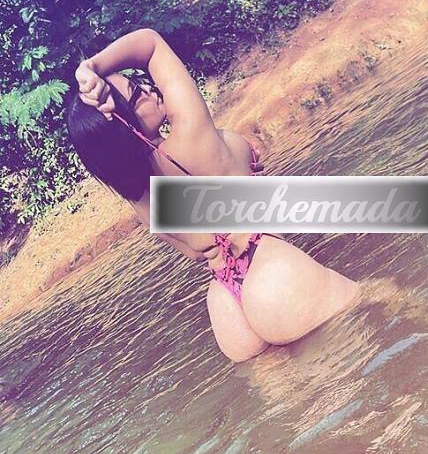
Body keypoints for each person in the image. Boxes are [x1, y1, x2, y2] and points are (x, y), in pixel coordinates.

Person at [66, 28, 361, 362]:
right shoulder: (191, 136)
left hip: (226, 303)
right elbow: (150, 44)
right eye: (137, 93)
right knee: (382, 310)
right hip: (272, 275)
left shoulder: (142, 202)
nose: (149, 89)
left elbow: (196, 253)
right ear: (126, 125)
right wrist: (91, 67)